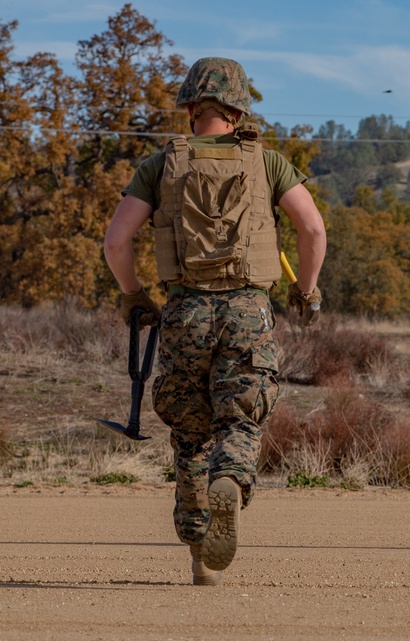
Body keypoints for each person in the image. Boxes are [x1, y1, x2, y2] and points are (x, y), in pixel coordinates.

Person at [103, 57, 327, 585]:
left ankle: (200, 552)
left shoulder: (161, 165)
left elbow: (116, 243)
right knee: (240, 416)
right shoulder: (267, 163)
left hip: (185, 311)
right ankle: (232, 478)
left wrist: (135, 297)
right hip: (248, 309)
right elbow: (313, 230)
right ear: (239, 106)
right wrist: (307, 290)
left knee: (189, 431)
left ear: (190, 107)